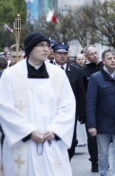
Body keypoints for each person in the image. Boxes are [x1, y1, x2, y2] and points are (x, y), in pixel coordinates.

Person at [0, 32, 75, 175]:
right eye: (41, 45)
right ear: (29, 48)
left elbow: (68, 105)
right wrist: (28, 132)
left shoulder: (58, 74)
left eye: (47, 45)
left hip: (51, 141)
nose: (46, 49)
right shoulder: (11, 75)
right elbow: (4, 107)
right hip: (22, 142)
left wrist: (55, 130)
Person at [52, 42, 86, 160]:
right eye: (59, 53)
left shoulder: (76, 71)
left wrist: (82, 113)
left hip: (70, 112)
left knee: (71, 141)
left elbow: (81, 93)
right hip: (52, 111)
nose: (62, 56)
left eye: (65, 53)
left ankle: (66, 161)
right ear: (54, 54)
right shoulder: (47, 69)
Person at [81, 45, 103, 172]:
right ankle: (94, 161)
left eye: (96, 53)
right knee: (92, 138)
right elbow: (83, 92)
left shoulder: (104, 68)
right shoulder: (84, 71)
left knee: (104, 137)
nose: (94, 55)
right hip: (91, 109)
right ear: (87, 56)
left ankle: (103, 160)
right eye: (91, 54)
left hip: (104, 108)